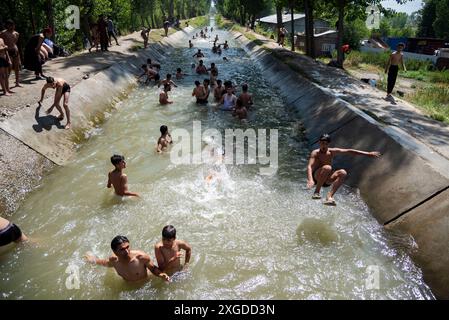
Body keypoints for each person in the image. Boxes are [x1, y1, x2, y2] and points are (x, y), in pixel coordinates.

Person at [306, 133, 381, 206]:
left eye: (326, 143)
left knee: (343, 172)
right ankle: (316, 192)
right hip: (317, 177)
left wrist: (368, 153)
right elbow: (310, 166)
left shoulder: (332, 151)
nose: (324, 145)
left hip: (326, 179)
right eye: (322, 143)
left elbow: (349, 151)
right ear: (319, 142)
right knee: (327, 167)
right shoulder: (315, 153)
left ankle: (329, 197)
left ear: (329, 144)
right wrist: (310, 180)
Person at [85, 235, 169, 282]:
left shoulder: (140, 257)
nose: (126, 251)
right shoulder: (114, 260)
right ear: (115, 251)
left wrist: (161, 275)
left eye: (127, 247)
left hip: (145, 283)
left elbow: (153, 269)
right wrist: (92, 260)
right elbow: (104, 263)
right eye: (122, 249)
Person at [0, 20, 21, 88]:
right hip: (8, 52)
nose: (12, 27)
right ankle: (6, 84)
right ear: (7, 26)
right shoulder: (3, 33)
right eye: (10, 25)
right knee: (9, 68)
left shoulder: (16, 33)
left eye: (13, 25)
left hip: (15, 51)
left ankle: (17, 82)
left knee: (17, 68)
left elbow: (15, 43)